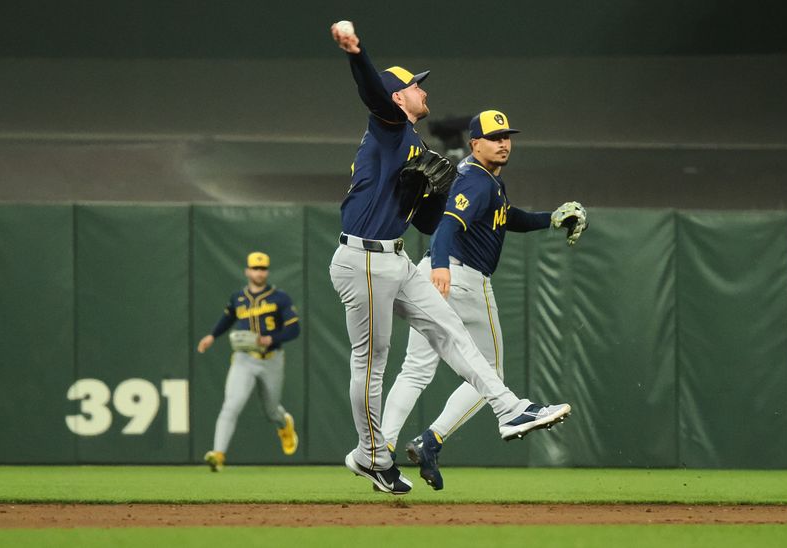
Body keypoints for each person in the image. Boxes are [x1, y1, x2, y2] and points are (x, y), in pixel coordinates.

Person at [329, 22, 573, 495]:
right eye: (414, 84)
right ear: (398, 97)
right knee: (372, 363)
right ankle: (372, 455)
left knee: (452, 332)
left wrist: (427, 198)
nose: (422, 89)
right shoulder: (388, 124)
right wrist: (356, 54)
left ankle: (509, 409)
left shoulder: (415, 146)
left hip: (395, 259)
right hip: (361, 261)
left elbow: (425, 222)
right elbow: (373, 94)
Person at [382, 110, 587, 490]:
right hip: (461, 279)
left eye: (507, 136)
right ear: (475, 143)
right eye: (494, 137)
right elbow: (447, 225)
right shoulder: (476, 180)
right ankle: (438, 437)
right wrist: (442, 265)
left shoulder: (486, 182)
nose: (503, 142)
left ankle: (383, 447)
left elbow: (509, 218)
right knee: (490, 372)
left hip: (434, 275)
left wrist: (551, 219)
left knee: (415, 369)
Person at [197, 251, 300, 472]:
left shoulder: (279, 298)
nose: (259, 272)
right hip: (243, 359)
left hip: (271, 359)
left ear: (267, 271)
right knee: (231, 406)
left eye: (262, 268)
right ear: (247, 271)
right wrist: (211, 336)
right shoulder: (238, 298)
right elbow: (227, 318)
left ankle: (285, 424)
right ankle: (218, 455)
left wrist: (271, 338)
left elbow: (294, 328)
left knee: (272, 410)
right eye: (255, 268)